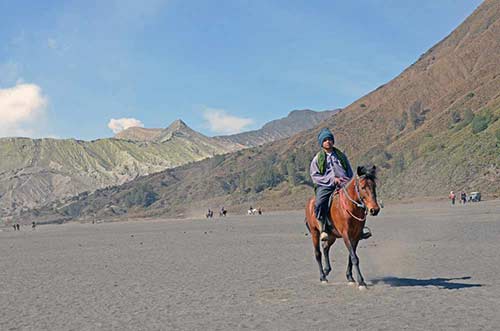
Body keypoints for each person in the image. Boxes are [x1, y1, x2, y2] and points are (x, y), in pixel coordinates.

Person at [310, 128, 354, 241]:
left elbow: (349, 171)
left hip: (343, 184)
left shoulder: (341, 156)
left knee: (358, 199)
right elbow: (315, 176)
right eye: (325, 140)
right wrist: (332, 180)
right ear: (321, 143)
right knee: (319, 202)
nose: (328, 142)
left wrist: (345, 180)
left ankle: (360, 229)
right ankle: (323, 228)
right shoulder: (317, 159)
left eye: (329, 139)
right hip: (326, 186)